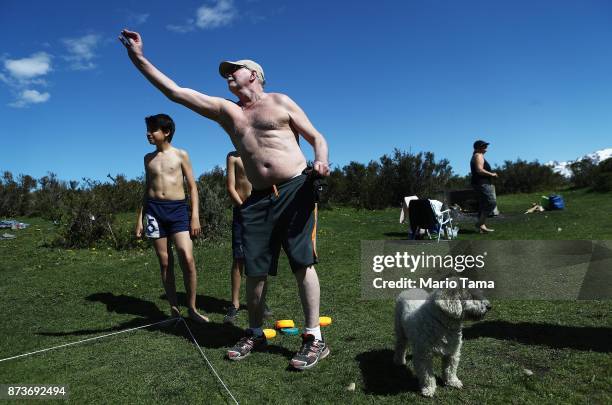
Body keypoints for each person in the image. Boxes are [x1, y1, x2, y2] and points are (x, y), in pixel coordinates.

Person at [120, 29, 331, 370]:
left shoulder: (280, 101)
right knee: (255, 270)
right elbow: (175, 92)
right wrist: (138, 58)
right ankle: (255, 331)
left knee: (301, 262)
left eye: (234, 69)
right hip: (258, 198)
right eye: (226, 72)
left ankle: (313, 338)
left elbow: (316, 137)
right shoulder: (227, 112)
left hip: (295, 187)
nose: (228, 75)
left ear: (254, 75)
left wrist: (321, 160)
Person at [135, 114, 209, 323]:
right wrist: (140, 219)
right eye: (148, 129)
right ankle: (174, 309)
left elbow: (192, 187)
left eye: (153, 130)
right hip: (153, 212)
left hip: (177, 211)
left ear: (166, 132)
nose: (148, 133)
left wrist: (194, 216)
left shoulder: (180, 155)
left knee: (187, 256)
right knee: (165, 262)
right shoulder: (147, 158)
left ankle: (192, 309)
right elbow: (147, 188)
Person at [224, 151, 272, 324]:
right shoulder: (233, 157)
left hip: (262, 212)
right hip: (242, 211)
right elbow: (230, 187)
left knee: (260, 258)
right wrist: (244, 209)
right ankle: (235, 303)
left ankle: (260, 300)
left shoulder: (260, 153)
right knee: (239, 259)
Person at [470, 140, 498, 233]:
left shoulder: (478, 155)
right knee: (491, 202)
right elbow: (479, 170)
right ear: (477, 148)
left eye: (486, 145)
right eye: (483, 146)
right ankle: (479, 223)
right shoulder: (478, 155)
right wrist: (492, 174)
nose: (486, 147)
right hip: (482, 183)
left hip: (480, 183)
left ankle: (481, 226)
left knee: (483, 205)